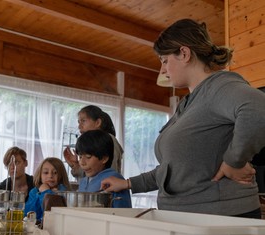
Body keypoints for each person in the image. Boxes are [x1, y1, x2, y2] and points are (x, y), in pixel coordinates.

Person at [101, 18, 265, 218]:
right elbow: (174, 169)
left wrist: (234, 161)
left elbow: (258, 108)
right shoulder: (188, 103)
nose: (163, 70)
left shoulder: (219, 87)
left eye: (164, 60)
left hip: (220, 218)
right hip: (188, 217)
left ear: (184, 54)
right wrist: (128, 184)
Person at [63, 105, 124, 180]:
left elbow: (110, 174)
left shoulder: (109, 139)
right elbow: (87, 181)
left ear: (98, 122)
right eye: (81, 157)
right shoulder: (91, 143)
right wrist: (75, 165)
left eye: (83, 121)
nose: (79, 126)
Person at [76, 130, 131, 208]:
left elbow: (123, 213)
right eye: (80, 157)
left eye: (88, 157)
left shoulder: (114, 179)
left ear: (104, 158)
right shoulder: (83, 181)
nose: (82, 162)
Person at [24, 157, 70, 222]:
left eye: (55, 173)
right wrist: (41, 194)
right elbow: (28, 213)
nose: (50, 176)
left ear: (61, 175)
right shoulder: (34, 192)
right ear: (40, 175)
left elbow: (53, 214)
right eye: (46, 172)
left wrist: (47, 193)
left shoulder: (63, 192)